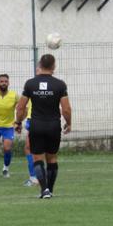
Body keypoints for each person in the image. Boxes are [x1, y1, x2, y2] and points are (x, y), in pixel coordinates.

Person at [15, 54, 72, 199]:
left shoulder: (30, 84)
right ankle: (50, 190)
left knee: (37, 158)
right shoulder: (60, 85)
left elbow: (20, 107)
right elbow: (66, 109)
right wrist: (69, 122)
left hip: (36, 125)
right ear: (54, 66)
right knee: (52, 158)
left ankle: (44, 190)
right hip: (53, 125)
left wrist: (18, 122)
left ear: (40, 64)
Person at [21, 99, 39, 187]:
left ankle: (34, 178)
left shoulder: (31, 91)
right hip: (47, 119)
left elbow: (22, 108)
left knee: (29, 148)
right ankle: (36, 177)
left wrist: (18, 121)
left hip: (35, 119)